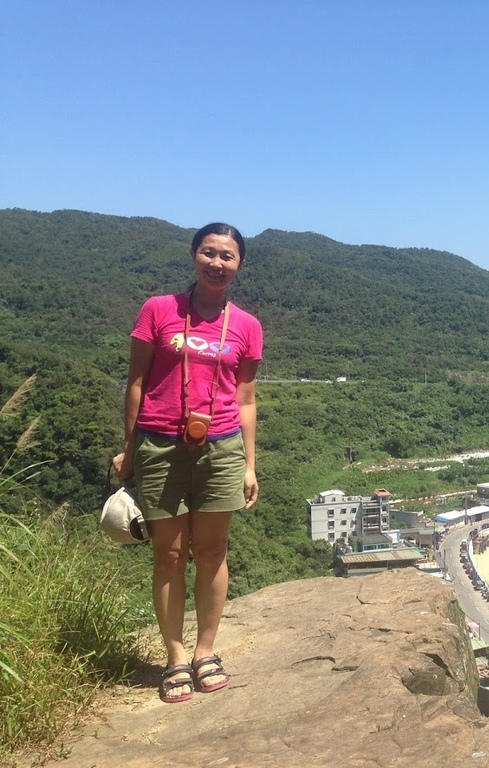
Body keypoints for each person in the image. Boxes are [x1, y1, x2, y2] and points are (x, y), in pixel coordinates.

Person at [115, 222, 263, 704]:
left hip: (221, 447)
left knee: (213, 551)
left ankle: (206, 651)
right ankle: (175, 656)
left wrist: (249, 464)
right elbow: (136, 382)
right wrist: (129, 449)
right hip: (160, 444)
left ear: (239, 265)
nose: (217, 263)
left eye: (227, 256)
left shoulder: (246, 326)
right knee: (170, 555)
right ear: (194, 255)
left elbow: (245, 399)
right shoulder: (159, 310)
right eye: (209, 253)